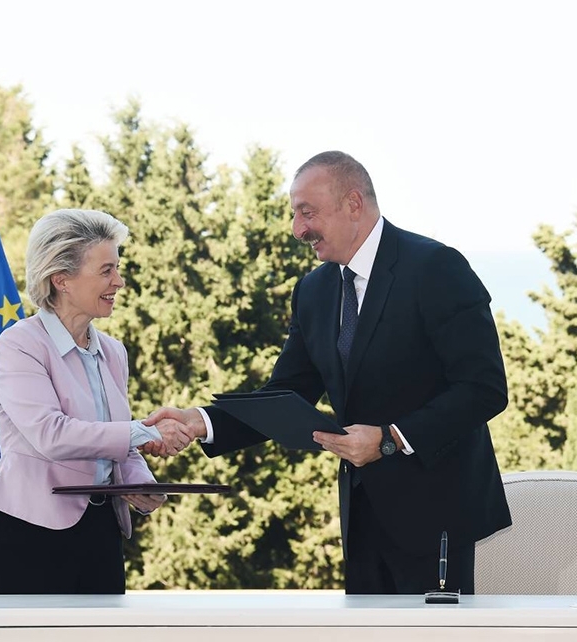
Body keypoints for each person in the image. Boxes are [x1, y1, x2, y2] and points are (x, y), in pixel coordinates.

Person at [145, 151, 511, 595]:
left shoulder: (436, 268)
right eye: (295, 214)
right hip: (361, 518)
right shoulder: (314, 290)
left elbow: (483, 389)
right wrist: (202, 421)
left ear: (354, 203)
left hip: (439, 516)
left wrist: (390, 438)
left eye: (307, 212)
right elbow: (287, 393)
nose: (298, 229)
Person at [0, 208, 190, 595]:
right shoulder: (20, 344)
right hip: (28, 533)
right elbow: (52, 435)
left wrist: (143, 485)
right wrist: (142, 432)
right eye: (106, 270)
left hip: (101, 534)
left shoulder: (113, 352)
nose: (119, 282)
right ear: (61, 279)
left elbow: (115, 442)